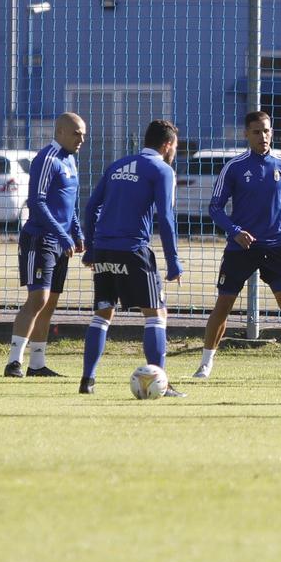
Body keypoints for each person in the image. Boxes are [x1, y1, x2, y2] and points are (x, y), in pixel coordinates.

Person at [193, 110, 281, 380]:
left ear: (272, 132)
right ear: (246, 134)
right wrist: (235, 231)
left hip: (273, 247)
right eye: (256, 132)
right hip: (240, 248)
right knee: (223, 304)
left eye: (267, 131)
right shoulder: (234, 167)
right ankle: (205, 364)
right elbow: (215, 207)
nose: (263, 136)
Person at [77, 119, 183, 396]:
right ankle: (162, 383)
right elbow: (167, 219)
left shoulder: (117, 166)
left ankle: (87, 380)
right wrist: (173, 263)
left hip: (104, 249)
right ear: (168, 144)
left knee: (102, 314)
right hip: (133, 250)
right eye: (175, 147)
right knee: (156, 314)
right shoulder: (162, 169)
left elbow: (91, 206)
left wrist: (90, 247)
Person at [5, 113, 87, 378]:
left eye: (84, 134)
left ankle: (37, 364)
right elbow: (37, 203)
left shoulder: (71, 160)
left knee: (50, 303)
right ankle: (13, 362)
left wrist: (76, 232)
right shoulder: (47, 159)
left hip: (61, 242)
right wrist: (62, 236)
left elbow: (69, 202)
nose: (81, 139)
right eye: (76, 133)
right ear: (60, 132)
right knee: (37, 299)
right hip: (40, 240)